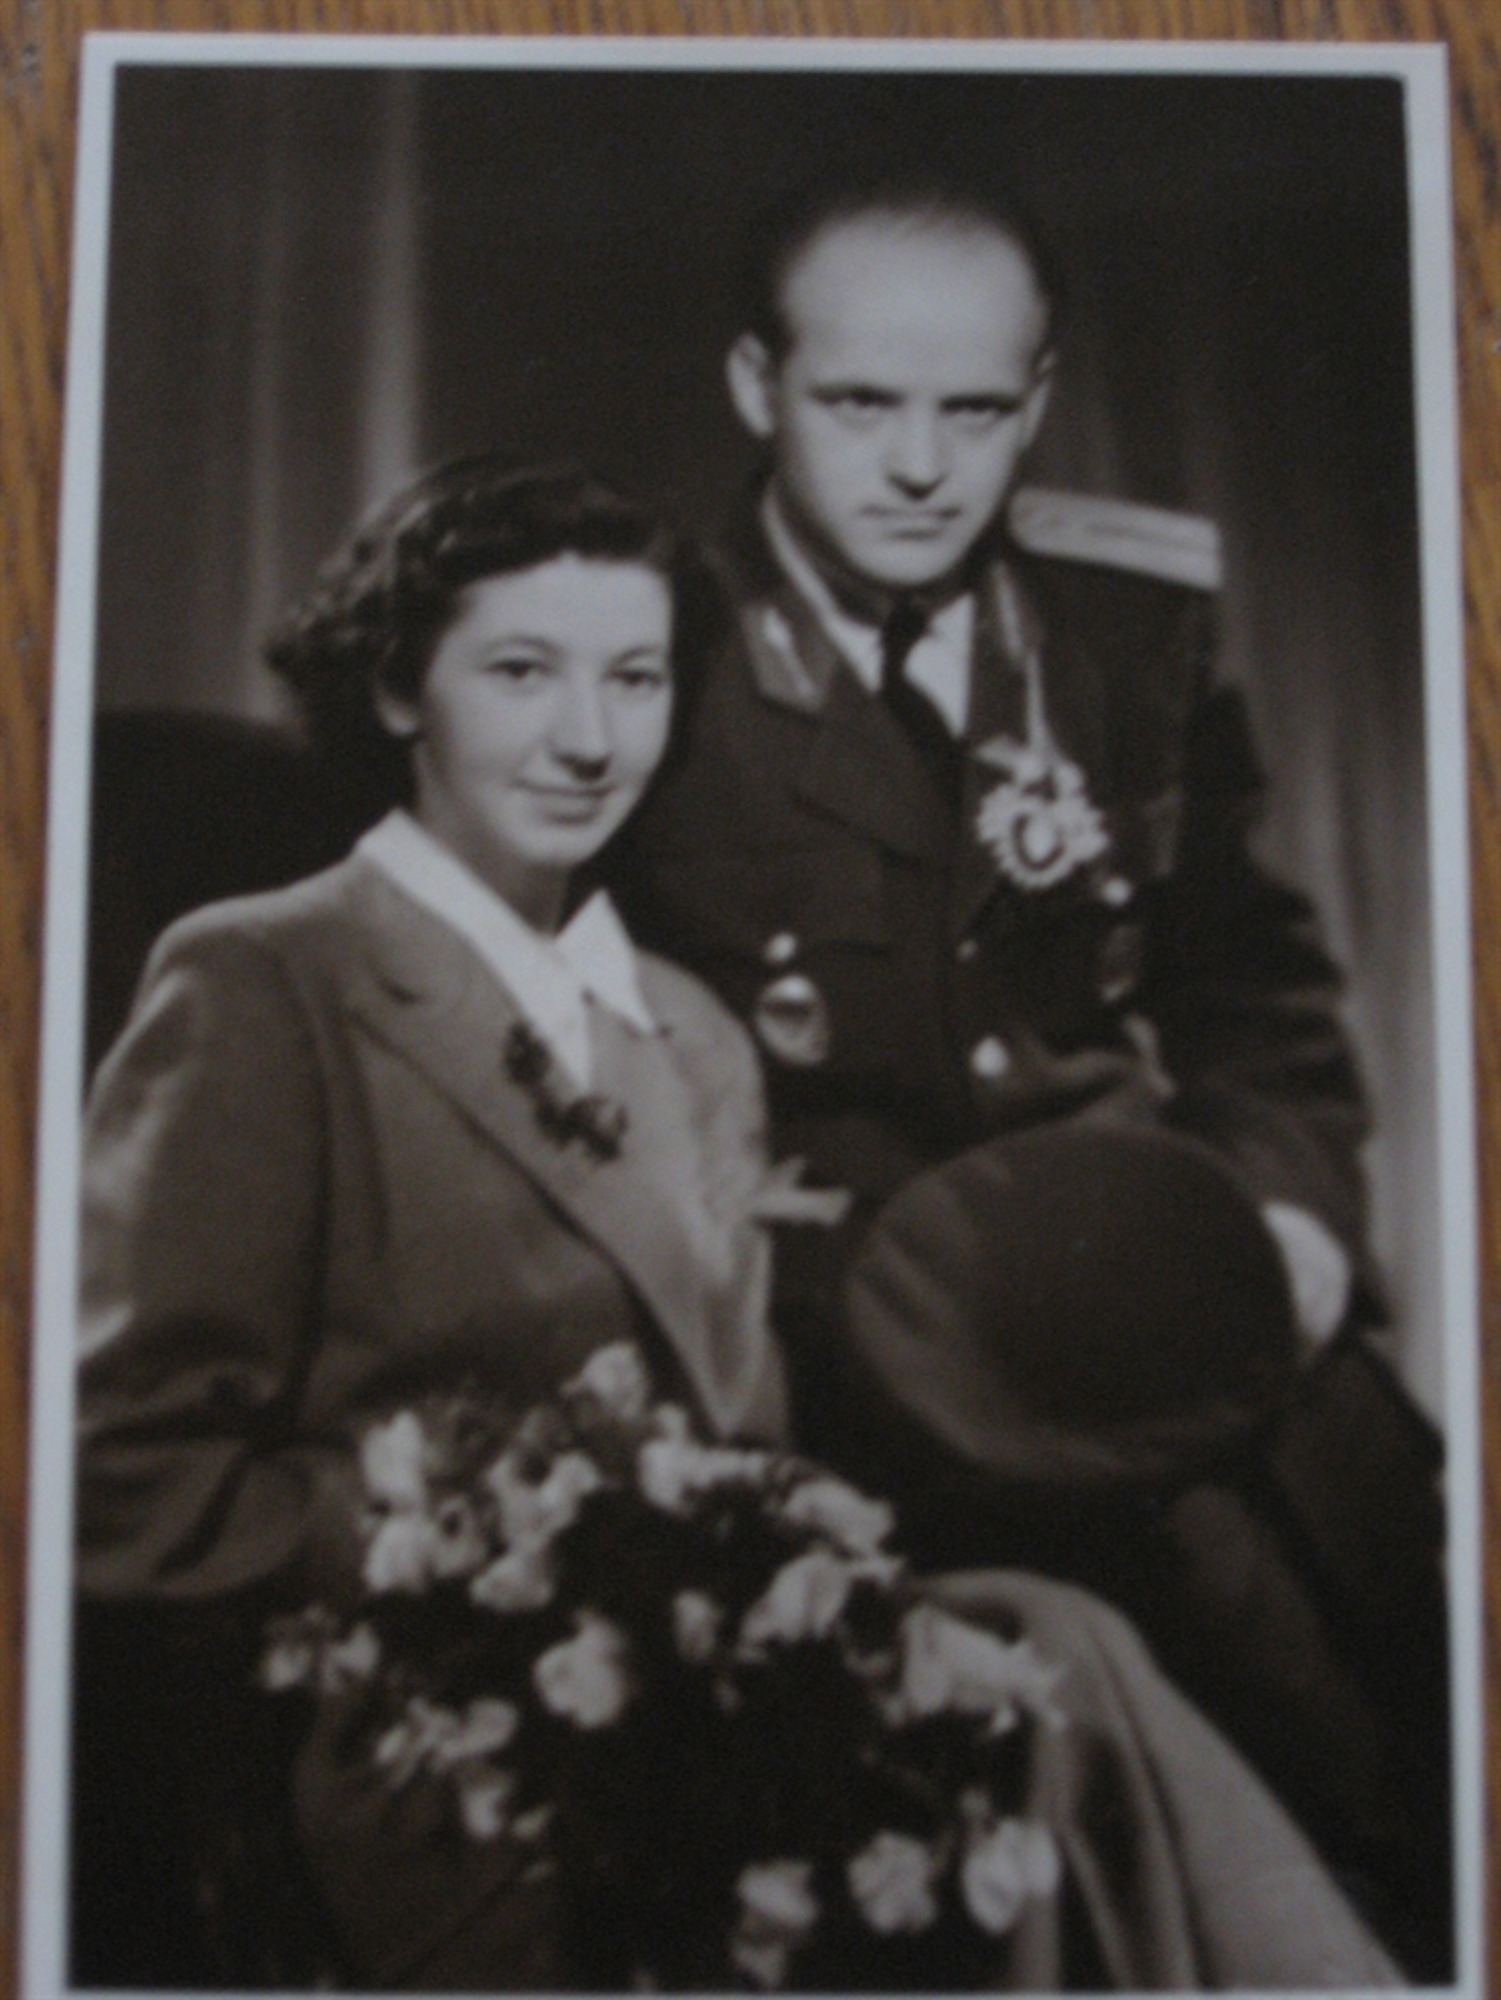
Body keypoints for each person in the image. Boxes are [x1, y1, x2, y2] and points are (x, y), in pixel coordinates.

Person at [73, 457, 1400, 1992]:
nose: (589, 738)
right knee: (1037, 1730)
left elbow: (742, 1446)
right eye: (521, 673)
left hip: (717, 1705)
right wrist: (479, 1554)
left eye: (636, 680)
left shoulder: (691, 1033)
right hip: (462, 1745)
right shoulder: (267, 978)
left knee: (1052, 1645)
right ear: (394, 690)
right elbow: (124, 1481)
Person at [611, 174, 1450, 1972]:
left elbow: (1249, 986)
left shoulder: (1118, 628)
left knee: (1404, 1621)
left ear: (1039, 399)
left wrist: (1292, 1225)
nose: (922, 466)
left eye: (975, 410)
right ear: (757, 387)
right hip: (875, 1360)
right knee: (1224, 1740)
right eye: (860, 403)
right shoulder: (633, 656)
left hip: (1162, 1284)